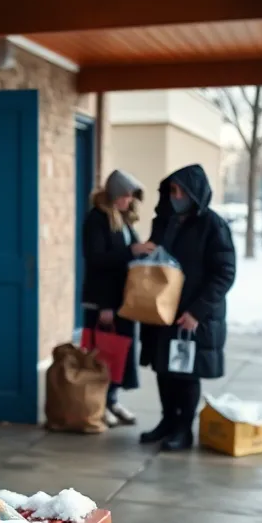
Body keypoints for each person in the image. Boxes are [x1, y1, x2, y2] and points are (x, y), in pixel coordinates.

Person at [138, 164, 236, 451]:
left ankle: (184, 429)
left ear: (194, 193)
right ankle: (167, 421)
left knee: (186, 373)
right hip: (162, 311)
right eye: (171, 190)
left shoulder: (213, 226)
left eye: (180, 191)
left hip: (192, 313)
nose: (175, 195)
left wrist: (197, 311)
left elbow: (224, 273)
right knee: (163, 370)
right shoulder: (166, 221)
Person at [81, 169, 157, 428]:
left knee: (119, 352)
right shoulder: (97, 219)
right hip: (104, 299)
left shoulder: (122, 220)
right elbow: (96, 259)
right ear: (114, 194)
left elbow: (125, 255)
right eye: (126, 196)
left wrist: (142, 252)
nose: (129, 201)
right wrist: (105, 306)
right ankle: (98, 402)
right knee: (103, 353)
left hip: (122, 299)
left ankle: (111, 400)